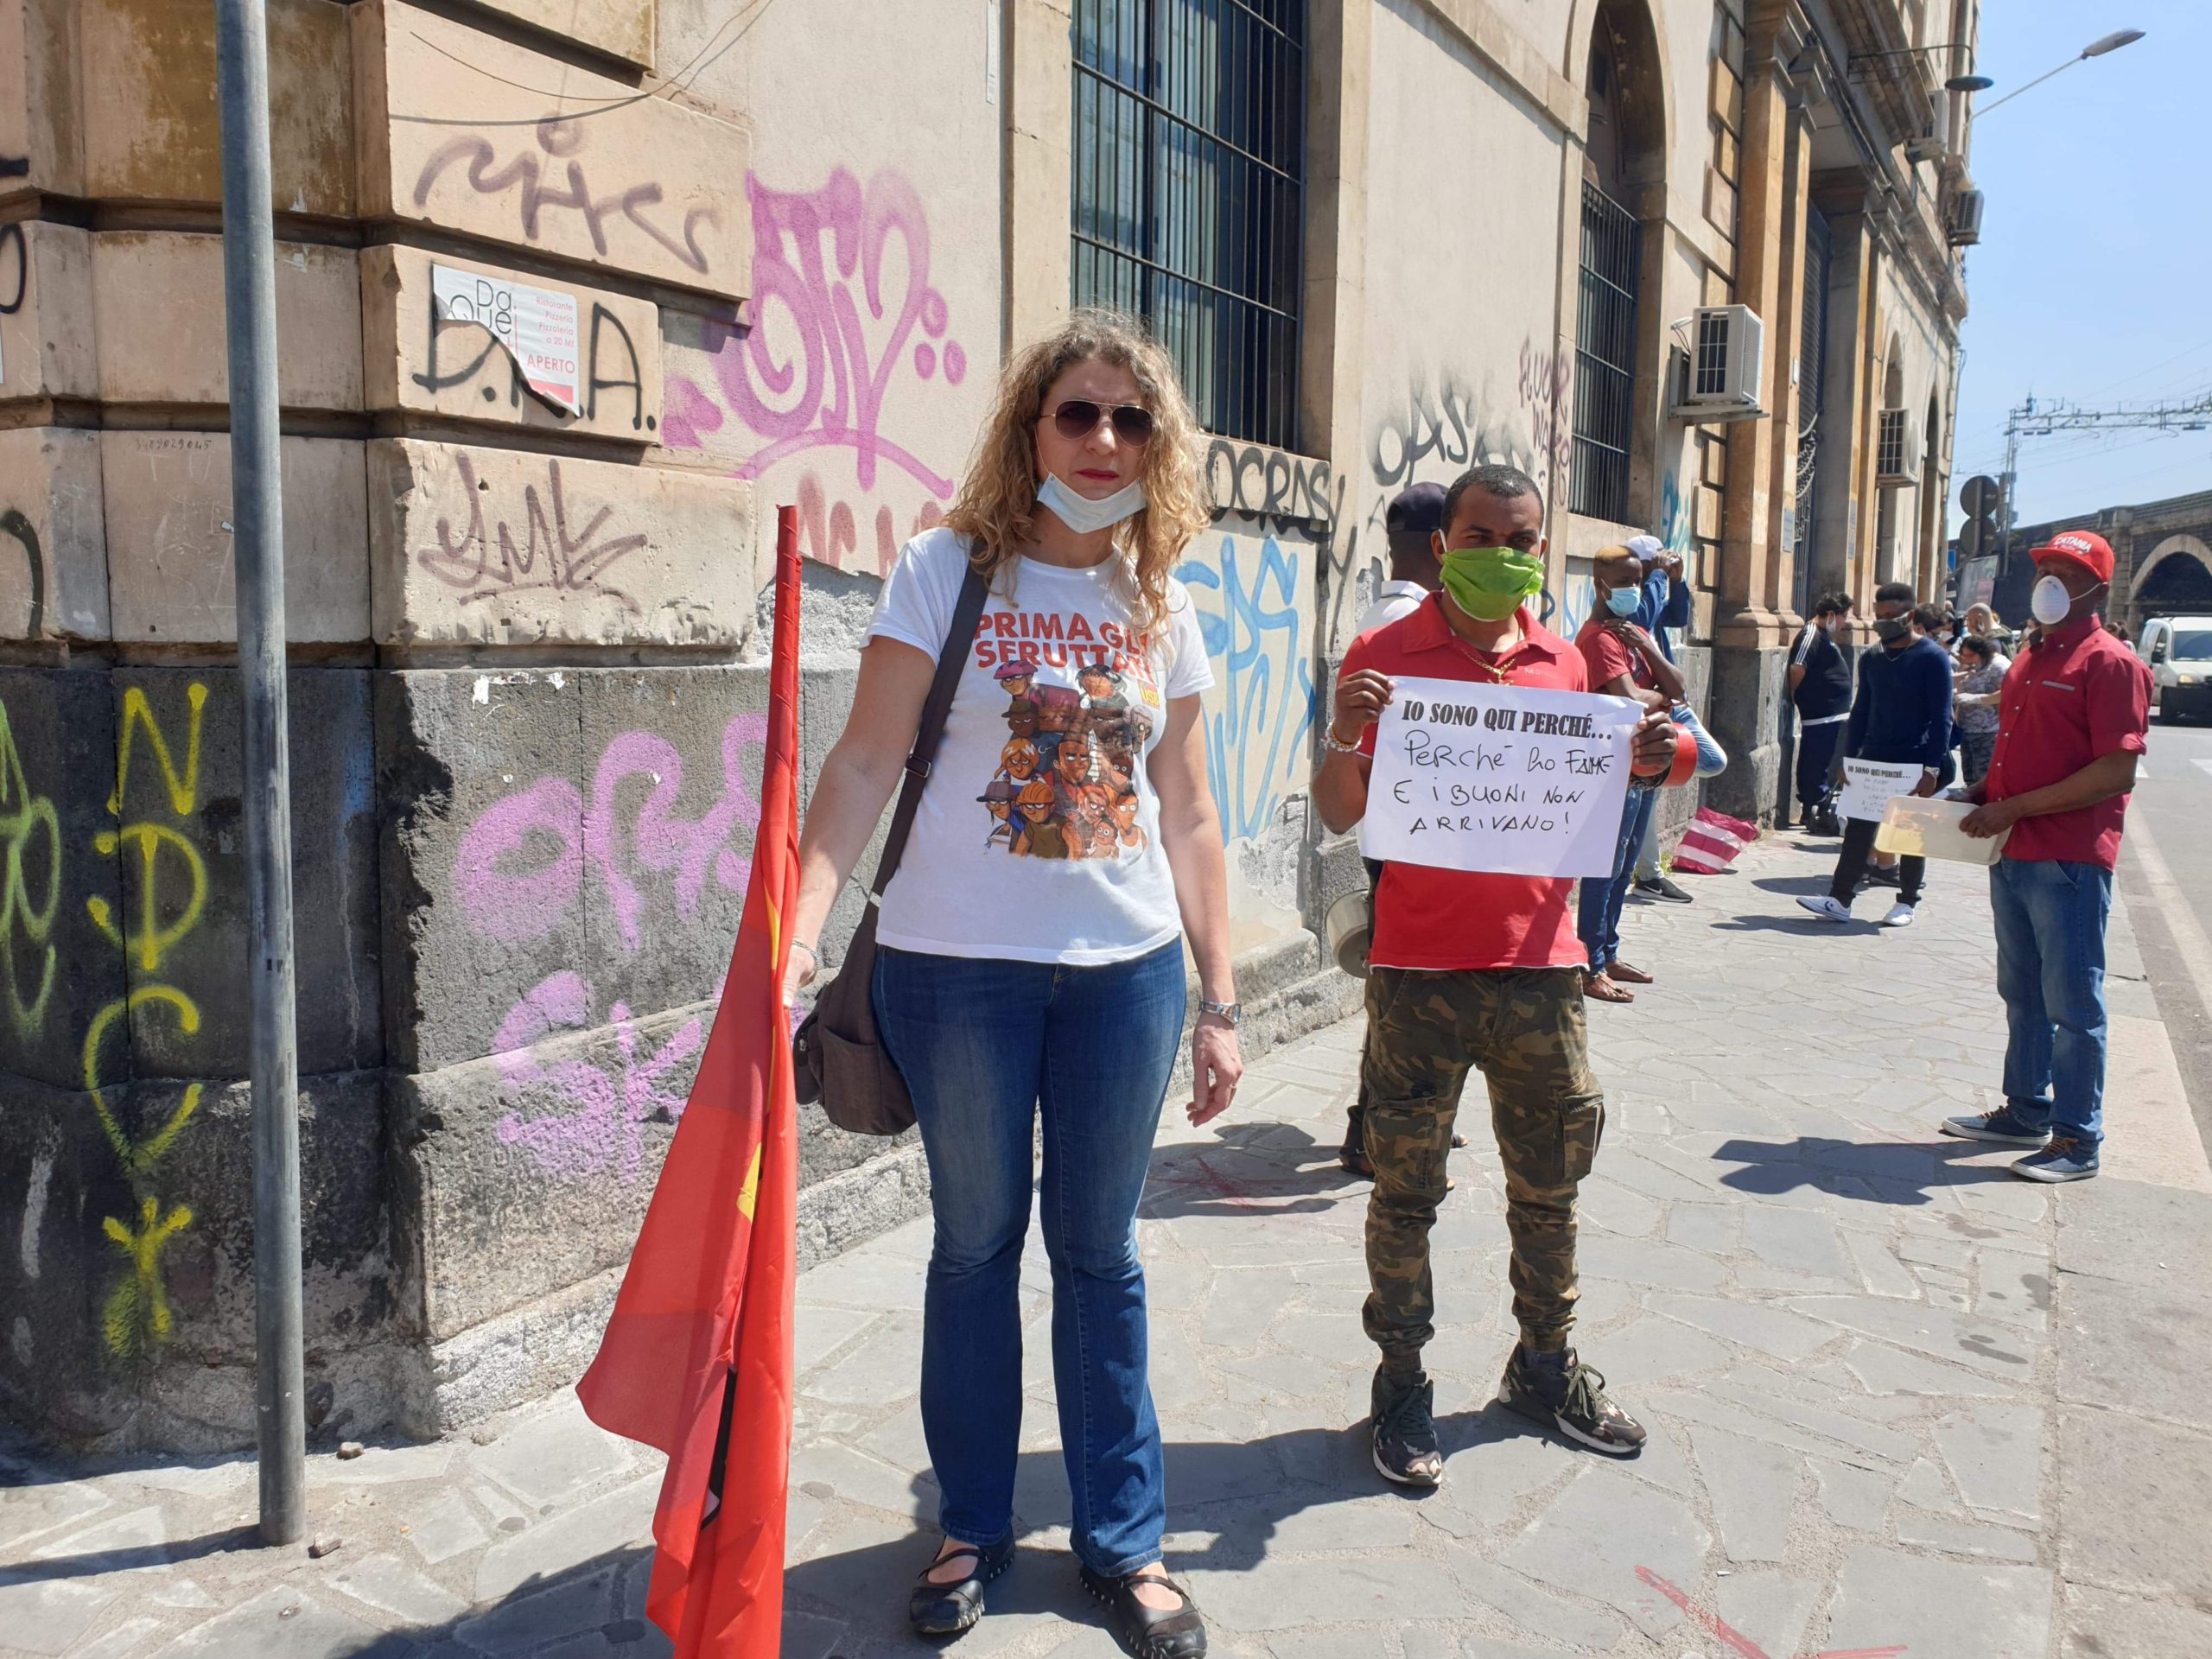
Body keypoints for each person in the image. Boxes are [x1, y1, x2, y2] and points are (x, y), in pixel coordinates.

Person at [783, 309, 1236, 1656]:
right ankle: (971, 1524)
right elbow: (864, 760)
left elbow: (1193, 812)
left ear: (1158, 450)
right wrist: (797, 929)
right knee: (975, 1249)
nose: (1102, 441)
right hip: (955, 973)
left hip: (1125, 978)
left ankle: (1126, 1544)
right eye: (1077, 414)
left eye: (1130, 420)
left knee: (1102, 1257)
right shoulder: (945, 570)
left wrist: (1220, 998)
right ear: (1029, 429)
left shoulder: (1163, 605)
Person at [1316, 464, 1684, 1487]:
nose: (1501, 557)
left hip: (1540, 977)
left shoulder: (1566, 665)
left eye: (1520, 540)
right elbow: (1339, 810)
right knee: (1404, 1192)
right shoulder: (1383, 657)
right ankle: (1399, 1387)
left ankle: (1545, 1368)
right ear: (1444, 546)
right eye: (1481, 538)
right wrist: (1347, 729)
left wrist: (1650, 753)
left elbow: (1646, 767)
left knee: (1550, 1189)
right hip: (1415, 975)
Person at [1944, 531, 2152, 1183]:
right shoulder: (2032, 657)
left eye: (2066, 572)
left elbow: (2115, 772)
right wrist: (1975, 794)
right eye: (2045, 570)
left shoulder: (2110, 662)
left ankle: (2076, 1138)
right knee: (2023, 993)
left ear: (2096, 586)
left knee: (2073, 1004)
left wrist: (2016, 808)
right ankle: (2026, 1110)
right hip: (2013, 851)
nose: (2051, 583)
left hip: (2067, 859)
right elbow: (2015, 753)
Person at [1338, 481, 1467, 1179]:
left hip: (1390, 840)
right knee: (1404, 995)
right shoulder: (1408, 634)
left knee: (1397, 989)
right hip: (1411, 846)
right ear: (1440, 547)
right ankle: (1373, 1128)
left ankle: (1394, 1119)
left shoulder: (1372, 612)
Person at [1796, 581, 1952, 929]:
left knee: (1909, 832)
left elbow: (1942, 716)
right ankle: (1840, 899)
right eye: (1878, 616)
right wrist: (1848, 760)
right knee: (1858, 831)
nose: (1882, 623)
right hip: (1873, 759)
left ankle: (1907, 901)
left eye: (1890, 616)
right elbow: (1861, 710)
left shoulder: (1933, 658)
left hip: (1914, 759)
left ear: (1910, 616)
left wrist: (1932, 767)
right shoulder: (1872, 658)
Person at [1575, 544, 1687, 1003]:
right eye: (1623, 581)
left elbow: (1677, 685)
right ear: (1600, 585)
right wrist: (1659, 696)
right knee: (1605, 867)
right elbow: (1631, 700)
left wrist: (1647, 647)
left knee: (1624, 867)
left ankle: (1610, 949)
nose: (1632, 590)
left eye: (1637, 580)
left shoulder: (1633, 633)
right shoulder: (1600, 638)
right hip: (1613, 771)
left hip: (1642, 770)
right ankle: (1590, 964)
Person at [1624, 534, 1726, 904]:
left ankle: (1648, 869)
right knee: (1646, 782)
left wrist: (1678, 582)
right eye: (1653, 567)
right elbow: (1639, 622)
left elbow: (1679, 617)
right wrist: (1656, 578)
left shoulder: (1655, 590)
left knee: (1712, 760)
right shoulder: (1628, 600)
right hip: (1645, 705)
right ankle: (1649, 873)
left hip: (1670, 701)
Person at [1789, 593, 1854, 835]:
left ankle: (1821, 802)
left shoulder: (1825, 635)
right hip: (1820, 712)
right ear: (1830, 615)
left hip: (1831, 714)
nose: (1845, 622)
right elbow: (1798, 666)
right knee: (1815, 758)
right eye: (1843, 616)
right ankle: (1812, 805)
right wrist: (1798, 694)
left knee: (1825, 759)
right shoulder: (1810, 634)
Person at [1952, 634, 2009, 787]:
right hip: (1967, 729)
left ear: (1980, 652)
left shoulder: (1998, 666)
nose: (1964, 659)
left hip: (1987, 731)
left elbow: (2008, 693)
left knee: (1982, 777)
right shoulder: (1973, 664)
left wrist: (1978, 699)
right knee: (1969, 776)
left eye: (1968, 655)